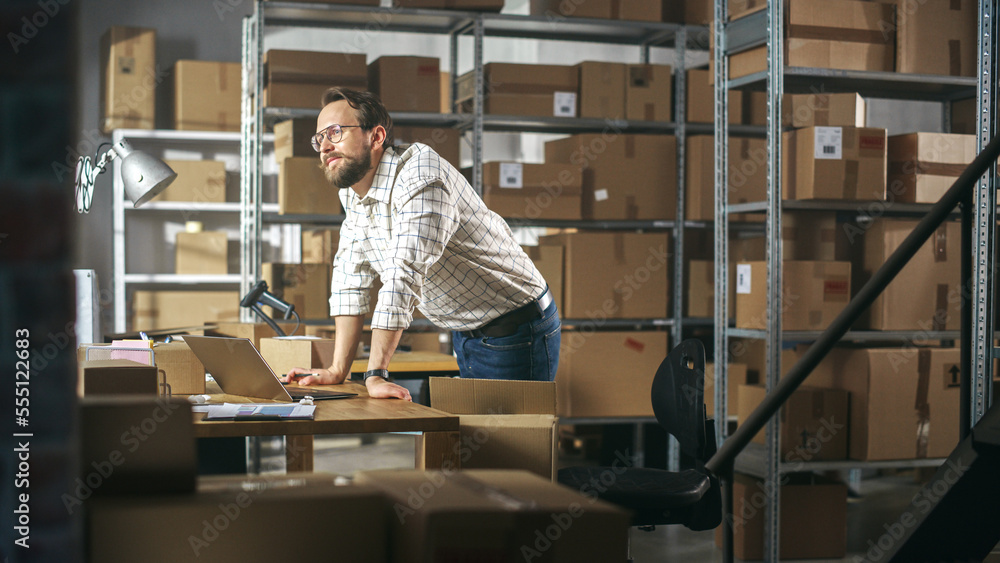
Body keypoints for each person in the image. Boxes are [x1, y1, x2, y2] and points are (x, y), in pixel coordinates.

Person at [282, 87, 560, 401]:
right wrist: (337, 370)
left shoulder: (420, 177)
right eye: (319, 138)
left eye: (335, 132)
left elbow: (403, 277)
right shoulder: (353, 194)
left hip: (514, 327)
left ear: (376, 137)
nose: (325, 146)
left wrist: (375, 374)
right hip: (466, 330)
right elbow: (350, 280)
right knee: (480, 440)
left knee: (511, 446)